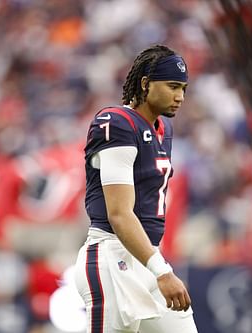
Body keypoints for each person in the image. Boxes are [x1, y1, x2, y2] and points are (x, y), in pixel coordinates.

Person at [74, 45, 198, 333]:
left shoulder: (163, 128)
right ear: (145, 83)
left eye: (183, 88)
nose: (180, 96)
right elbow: (119, 214)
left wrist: (157, 267)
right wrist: (163, 272)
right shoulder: (116, 122)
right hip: (111, 258)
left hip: (147, 257)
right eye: (172, 86)